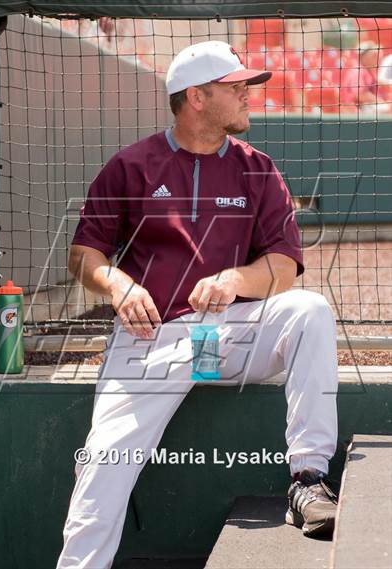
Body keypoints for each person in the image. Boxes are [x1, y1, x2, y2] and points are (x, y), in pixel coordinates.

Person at [56, 40, 339, 569]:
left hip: (225, 335)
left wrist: (236, 279)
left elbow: (284, 266)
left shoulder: (259, 169)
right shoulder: (131, 165)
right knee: (102, 463)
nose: (250, 96)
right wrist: (116, 284)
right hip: (151, 338)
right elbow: (83, 254)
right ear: (197, 98)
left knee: (309, 310)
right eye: (237, 88)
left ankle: (309, 477)